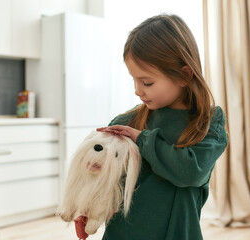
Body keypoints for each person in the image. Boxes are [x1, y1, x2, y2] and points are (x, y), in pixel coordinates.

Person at [92, 14, 228, 240]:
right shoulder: (126, 123)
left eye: (147, 82)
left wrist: (142, 140)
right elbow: (104, 180)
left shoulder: (208, 124)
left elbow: (190, 172)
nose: (137, 90)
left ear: (184, 75)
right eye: (133, 80)